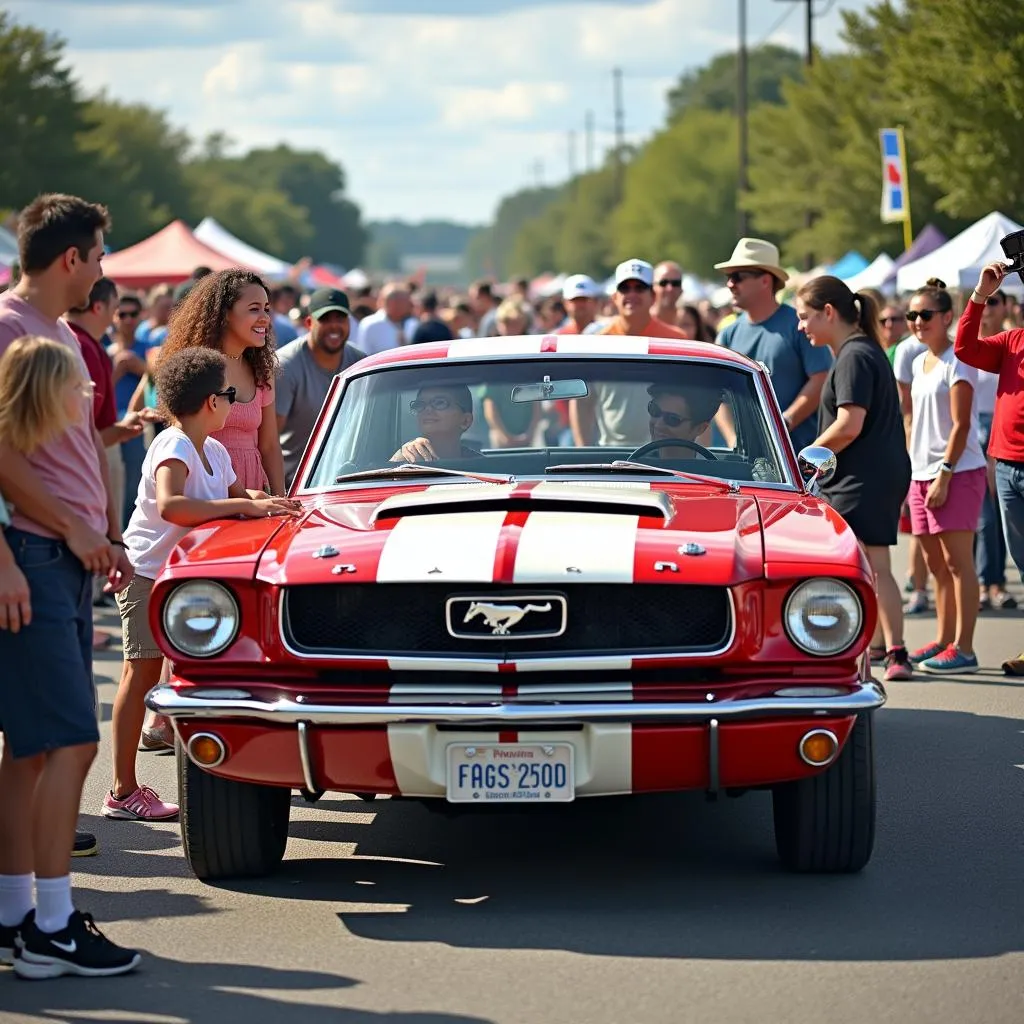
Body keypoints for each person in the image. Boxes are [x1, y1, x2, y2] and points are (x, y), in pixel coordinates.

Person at [0, 194, 143, 981]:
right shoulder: (9, 327)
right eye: (97, 256)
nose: (101, 269)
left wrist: (100, 537)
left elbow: (64, 454)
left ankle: (16, 913)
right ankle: (51, 925)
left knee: (29, 751)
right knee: (71, 740)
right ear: (69, 261)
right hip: (34, 557)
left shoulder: (55, 331)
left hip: (63, 557)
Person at [108, 348, 300, 823]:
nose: (234, 404)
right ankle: (121, 790)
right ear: (210, 401)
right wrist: (246, 508)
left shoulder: (213, 449)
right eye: (229, 394)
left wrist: (270, 502)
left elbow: (239, 497)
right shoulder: (172, 446)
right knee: (141, 675)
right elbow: (174, 505)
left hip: (184, 579)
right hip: (149, 573)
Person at [795, 276, 913, 682]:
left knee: (876, 564)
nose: (801, 326)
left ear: (828, 312)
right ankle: (878, 645)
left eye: (805, 316)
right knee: (864, 565)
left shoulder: (854, 355)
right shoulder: (856, 351)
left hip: (866, 479)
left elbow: (849, 424)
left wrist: (805, 456)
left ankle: (897, 650)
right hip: (863, 476)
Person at [905, 279, 986, 674]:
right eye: (912, 315)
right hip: (919, 473)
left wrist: (944, 474)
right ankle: (943, 638)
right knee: (935, 564)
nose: (917, 322)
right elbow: (913, 419)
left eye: (925, 315)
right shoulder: (919, 361)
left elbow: (961, 425)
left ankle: (965, 649)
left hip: (956, 472)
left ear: (947, 317)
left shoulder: (959, 359)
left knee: (958, 564)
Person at [155, 269, 286, 495]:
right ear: (224, 314)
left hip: (254, 486)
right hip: (207, 488)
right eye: (254, 309)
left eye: (266, 309)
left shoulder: (263, 371)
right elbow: (183, 435)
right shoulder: (199, 368)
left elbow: (270, 445)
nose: (265, 318)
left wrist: (280, 498)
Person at [955, 261, 1024, 676]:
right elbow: (965, 348)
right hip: (1009, 468)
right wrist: (980, 295)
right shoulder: (1013, 340)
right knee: (1022, 560)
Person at [714, 238, 832, 453]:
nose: (730, 284)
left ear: (765, 281)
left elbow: (821, 378)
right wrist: (733, 441)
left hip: (795, 459)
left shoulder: (800, 326)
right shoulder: (728, 334)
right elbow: (718, 394)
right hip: (744, 463)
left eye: (738, 276)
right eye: (729, 277)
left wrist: (783, 425)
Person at [571, 259, 687, 447]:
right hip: (609, 455)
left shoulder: (676, 341)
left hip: (664, 453)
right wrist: (582, 448)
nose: (632, 294)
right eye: (625, 288)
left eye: (639, 288)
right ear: (615, 297)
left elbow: (691, 400)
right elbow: (582, 402)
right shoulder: (596, 344)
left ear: (653, 296)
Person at [277, 288, 365, 488]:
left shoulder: (361, 363)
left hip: (349, 484)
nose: (334, 326)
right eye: (325, 319)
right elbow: (269, 440)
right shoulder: (285, 366)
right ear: (309, 323)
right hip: (294, 487)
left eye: (340, 318)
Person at [972, 288, 1015, 611]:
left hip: (1000, 431)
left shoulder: (1009, 343)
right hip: (971, 429)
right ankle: (984, 581)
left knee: (1001, 517)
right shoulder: (969, 344)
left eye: (995, 301)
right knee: (982, 517)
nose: (988, 308)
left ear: (1006, 307)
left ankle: (995, 582)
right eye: (986, 301)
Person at [391, 385, 480, 463]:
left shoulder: (483, 468)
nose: (427, 409)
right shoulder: (406, 459)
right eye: (420, 404)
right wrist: (400, 458)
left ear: (465, 421)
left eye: (440, 403)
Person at [645, 384, 719, 456]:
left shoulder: (711, 468)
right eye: (655, 411)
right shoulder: (635, 463)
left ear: (700, 429)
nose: (658, 425)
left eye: (672, 419)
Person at [358, 283, 417, 354]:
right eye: (407, 301)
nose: (411, 305)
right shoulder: (370, 325)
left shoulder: (412, 323)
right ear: (394, 303)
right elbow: (364, 355)